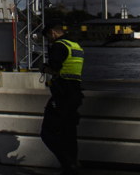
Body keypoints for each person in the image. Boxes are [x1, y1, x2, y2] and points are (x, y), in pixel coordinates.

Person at [39, 21, 84, 174]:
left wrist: (44, 68)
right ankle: (72, 166)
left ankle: (68, 165)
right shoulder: (75, 46)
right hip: (75, 95)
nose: (49, 41)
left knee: (47, 133)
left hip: (62, 96)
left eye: (48, 37)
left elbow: (54, 69)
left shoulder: (59, 46)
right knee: (69, 133)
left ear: (53, 32)